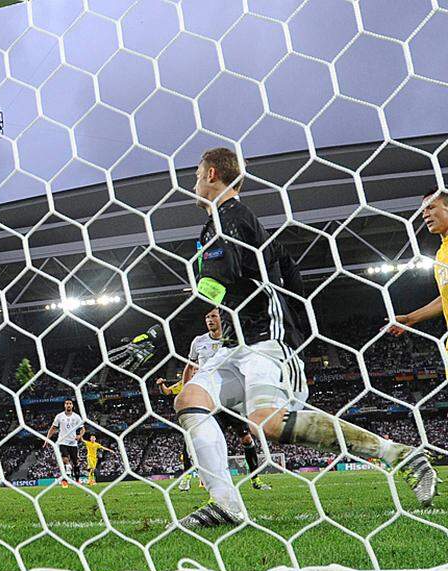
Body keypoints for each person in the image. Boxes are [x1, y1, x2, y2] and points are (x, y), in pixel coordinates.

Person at [173, 147, 434, 527]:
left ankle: (399, 454)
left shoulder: (233, 217)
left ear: (212, 174)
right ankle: (226, 505)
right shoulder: (221, 222)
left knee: (267, 424)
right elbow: (284, 265)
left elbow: (215, 285)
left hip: (265, 342)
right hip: (234, 345)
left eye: (196, 175)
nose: (193, 184)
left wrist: (153, 334)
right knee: (190, 399)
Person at [158, 309, 271, 491]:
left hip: (231, 396)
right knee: (196, 439)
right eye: (207, 317)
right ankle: (187, 477)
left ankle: (255, 479)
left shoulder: (234, 339)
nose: (210, 320)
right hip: (208, 397)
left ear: (222, 318)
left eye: (213, 316)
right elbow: (190, 366)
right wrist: (188, 389)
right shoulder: (199, 342)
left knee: (247, 439)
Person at [388, 189, 448, 375]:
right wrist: (410, 318)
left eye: (430, 207)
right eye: (423, 210)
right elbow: (445, 298)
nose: (425, 214)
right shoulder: (441, 255)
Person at [43, 399, 85, 487]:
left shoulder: (77, 417)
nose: (68, 405)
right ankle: (65, 480)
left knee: (76, 462)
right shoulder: (59, 416)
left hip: (73, 443)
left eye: (70, 403)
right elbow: (53, 428)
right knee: (65, 459)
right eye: (67, 403)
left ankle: (77, 480)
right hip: (62, 441)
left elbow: (83, 429)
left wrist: (80, 436)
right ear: (64, 405)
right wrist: (47, 440)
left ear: (72, 406)